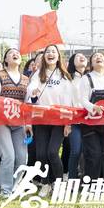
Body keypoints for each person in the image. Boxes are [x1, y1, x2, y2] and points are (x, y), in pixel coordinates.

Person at [26, 44, 73, 199]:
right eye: (48, 52)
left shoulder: (64, 76)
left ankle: (59, 184)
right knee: (41, 154)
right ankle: (46, 184)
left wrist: (68, 122)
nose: (51, 54)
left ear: (58, 56)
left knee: (52, 152)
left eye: (54, 52)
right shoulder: (37, 73)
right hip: (41, 118)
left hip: (59, 118)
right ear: (44, 56)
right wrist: (33, 92)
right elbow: (31, 91)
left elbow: (68, 101)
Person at [0, 47, 30, 197]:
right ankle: (4, 189)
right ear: (5, 60)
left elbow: (28, 103)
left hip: (20, 123)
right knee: (8, 156)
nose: (15, 54)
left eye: (17, 53)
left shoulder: (26, 79)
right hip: (1, 122)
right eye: (11, 53)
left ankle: (13, 187)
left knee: (22, 158)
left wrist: (28, 124)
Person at [76, 51, 104, 180]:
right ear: (91, 63)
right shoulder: (86, 78)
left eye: (101, 56)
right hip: (90, 123)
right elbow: (83, 99)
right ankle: (91, 183)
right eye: (95, 57)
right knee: (94, 154)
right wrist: (93, 107)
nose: (98, 57)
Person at [64, 52, 88, 179]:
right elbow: (67, 102)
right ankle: (72, 179)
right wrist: (67, 123)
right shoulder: (69, 79)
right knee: (76, 151)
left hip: (91, 120)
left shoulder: (91, 77)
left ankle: (86, 179)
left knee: (88, 151)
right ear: (73, 62)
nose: (82, 57)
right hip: (75, 121)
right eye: (77, 56)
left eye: (83, 55)